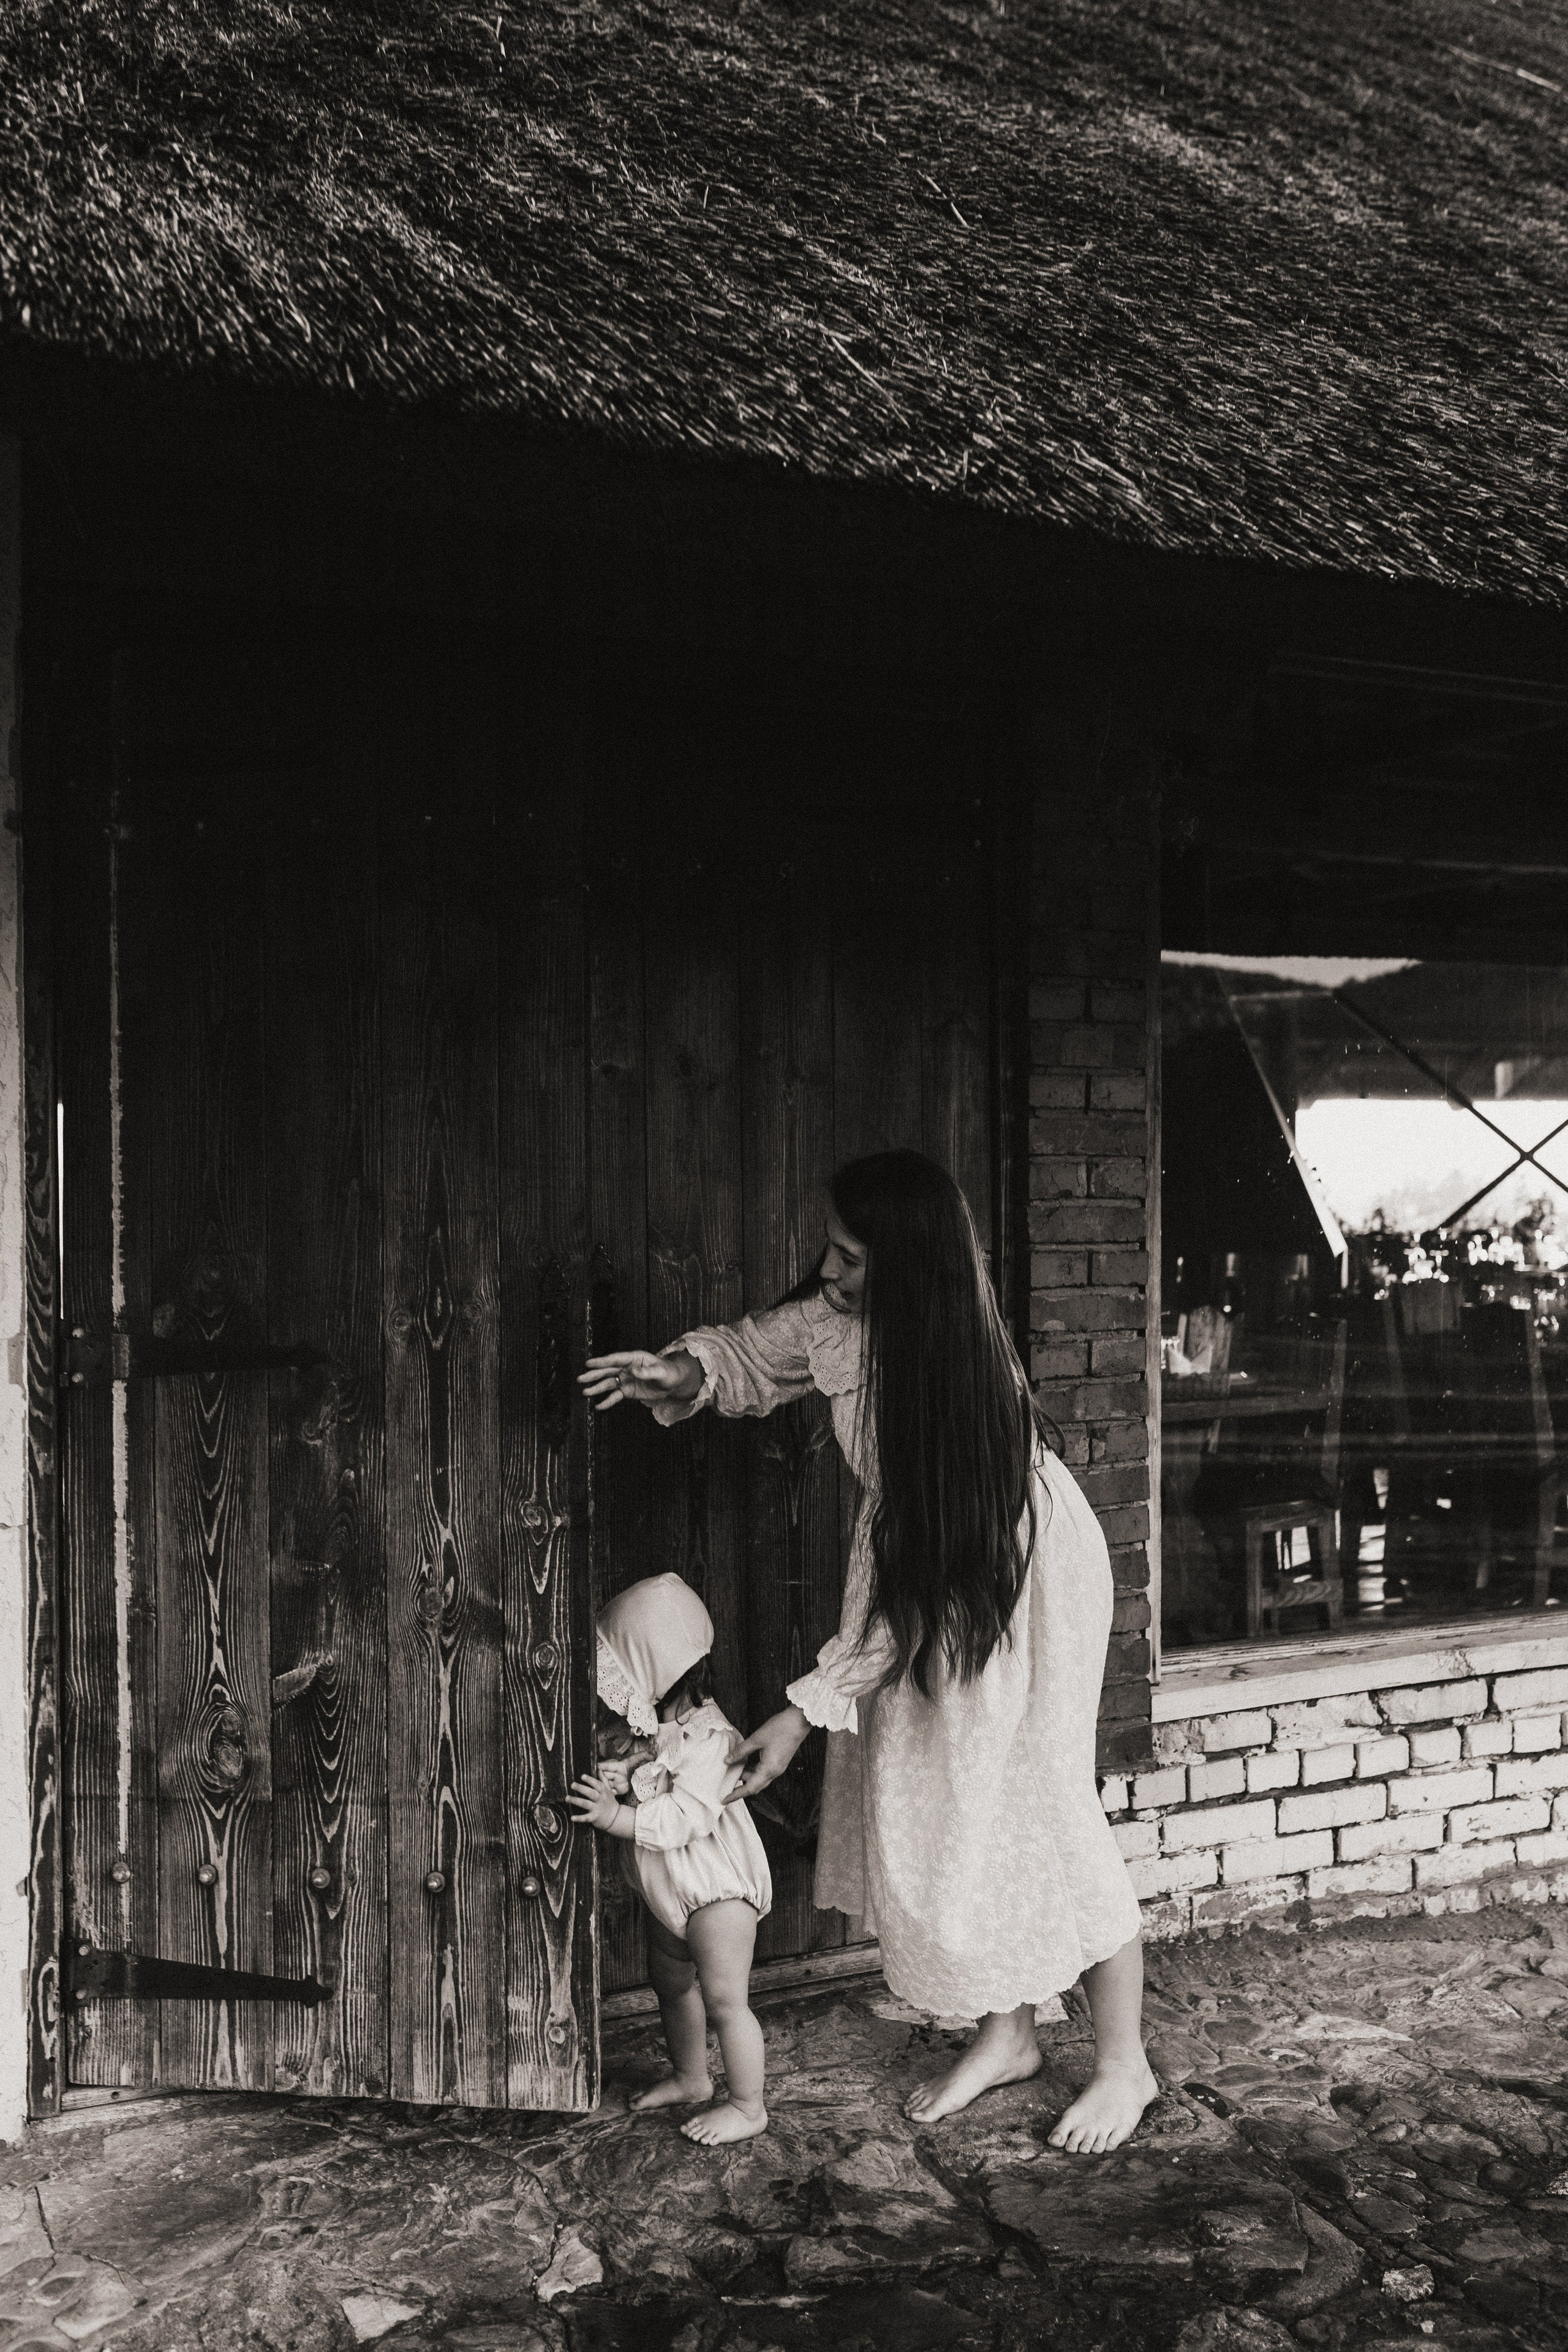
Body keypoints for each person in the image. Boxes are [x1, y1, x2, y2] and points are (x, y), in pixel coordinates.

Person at [579, 1150, 1156, 2155]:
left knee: (1038, 1799)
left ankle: (1122, 2063)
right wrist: (685, 1369)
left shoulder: (963, 1390)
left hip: (1002, 1580)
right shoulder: (838, 1320)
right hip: (919, 1573)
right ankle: (1010, 2028)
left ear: (916, 1268)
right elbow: (758, 1353)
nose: (833, 1273)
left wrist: (805, 1711)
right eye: (833, 1250)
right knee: (950, 1804)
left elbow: (930, 1588)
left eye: (855, 1257)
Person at [567, 1571, 772, 2145]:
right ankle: (691, 2076)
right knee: (671, 1983)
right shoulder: (652, 1729)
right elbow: (651, 1778)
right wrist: (624, 1778)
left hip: (717, 1893)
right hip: (669, 1895)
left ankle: (749, 2105)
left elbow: (686, 1816)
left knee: (727, 2001)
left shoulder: (713, 1740)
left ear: (656, 1672)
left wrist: (616, 1816)